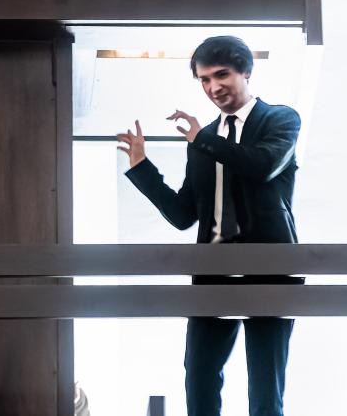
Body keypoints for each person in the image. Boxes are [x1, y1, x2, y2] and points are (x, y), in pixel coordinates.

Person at [116, 35, 302, 416]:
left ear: (246, 72)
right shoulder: (201, 143)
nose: (213, 87)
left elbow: (261, 165)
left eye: (222, 75)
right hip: (213, 273)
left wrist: (204, 139)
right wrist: (142, 169)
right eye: (204, 79)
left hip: (268, 273)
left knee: (265, 387)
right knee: (199, 379)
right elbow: (184, 214)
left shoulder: (280, 119)